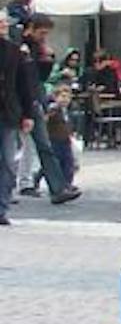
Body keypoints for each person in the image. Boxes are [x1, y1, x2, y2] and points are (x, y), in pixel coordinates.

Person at [16, 14, 78, 203]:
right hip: (18, 100)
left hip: (34, 99)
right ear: (31, 28)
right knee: (12, 146)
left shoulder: (38, 49)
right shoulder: (19, 46)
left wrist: (47, 60)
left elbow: (40, 78)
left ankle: (58, 189)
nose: (44, 37)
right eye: (42, 33)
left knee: (44, 146)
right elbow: (22, 76)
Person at [0, 27, 36, 227]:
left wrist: (28, 114)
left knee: (7, 161)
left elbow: (25, 85)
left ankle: (1, 208)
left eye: (4, 24)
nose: (3, 28)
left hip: (7, 113)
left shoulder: (14, 52)